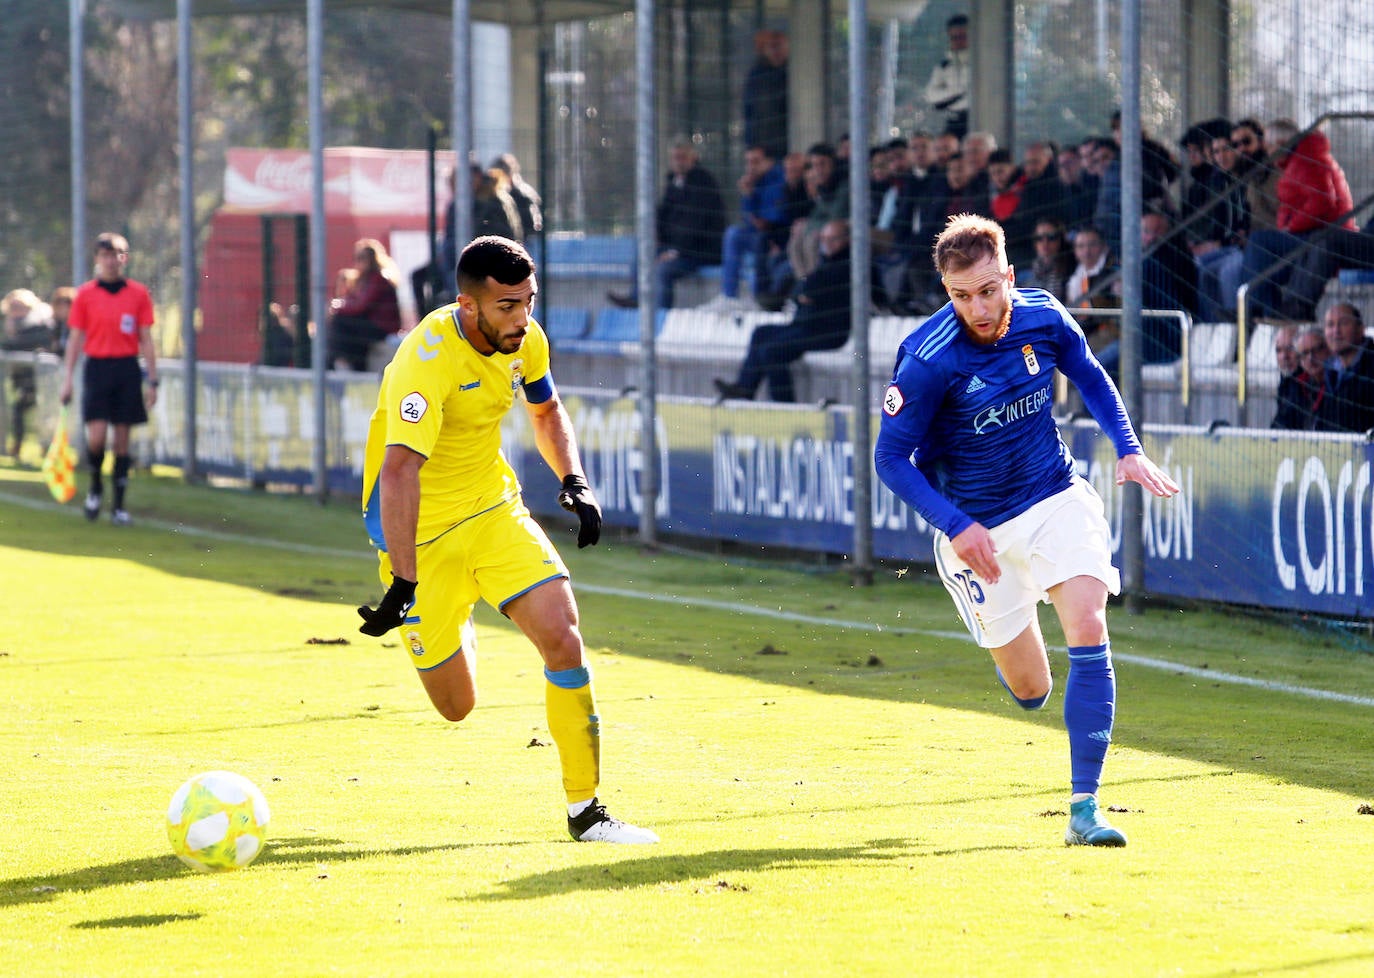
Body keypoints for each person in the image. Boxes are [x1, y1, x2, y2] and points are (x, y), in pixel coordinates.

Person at [874, 213, 1179, 848]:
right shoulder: (926, 359)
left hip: (1054, 497)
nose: (979, 309)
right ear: (946, 291)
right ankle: (1018, 645)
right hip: (978, 532)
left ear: (1010, 276)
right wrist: (956, 524)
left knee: (1088, 626)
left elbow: (1088, 372)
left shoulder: (1044, 315)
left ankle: (1084, 809)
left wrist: (1128, 448)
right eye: (961, 296)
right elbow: (889, 459)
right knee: (1032, 689)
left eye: (989, 290)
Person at [357, 235, 657, 845]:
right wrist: (405, 580)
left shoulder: (525, 340)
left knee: (563, 636)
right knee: (456, 707)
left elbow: (546, 411)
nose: (522, 318)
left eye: (529, 301)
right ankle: (455, 610)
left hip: (493, 511)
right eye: (507, 306)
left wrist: (574, 480)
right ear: (468, 305)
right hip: (421, 537)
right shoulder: (427, 359)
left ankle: (586, 811)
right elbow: (399, 472)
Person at [58, 232, 158, 525]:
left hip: (126, 369)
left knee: (122, 441)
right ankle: (95, 488)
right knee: (97, 437)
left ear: (124, 258)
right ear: (97, 259)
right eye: (105, 255)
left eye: (116, 255)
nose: (111, 261)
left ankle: (119, 506)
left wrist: (153, 380)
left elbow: (146, 338)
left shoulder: (138, 294)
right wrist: (68, 378)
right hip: (97, 369)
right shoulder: (85, 295)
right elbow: (75, 339)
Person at [712, 219, 852, 403]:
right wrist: (806, 292)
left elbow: (811, 288)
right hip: (804, 324)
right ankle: (745, 388)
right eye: (824, 239)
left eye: (833, 239)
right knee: (761, 333)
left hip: (826, 331)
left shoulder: (846, 265)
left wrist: (807, 292)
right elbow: (800, 289)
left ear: (847, 240)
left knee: (772, 351)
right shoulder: (824, 262)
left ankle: (784, 403)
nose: (827, 244)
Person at [1240, 120, 1354, 320]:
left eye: (1270, 147)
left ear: (1282, 143)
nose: (1268, 153)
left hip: (1323, 238)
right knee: (1262, 262)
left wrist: (1291, 227)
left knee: (1259, 242)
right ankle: (1262, 313)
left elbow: (1322, 202)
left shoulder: (1308, 161)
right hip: (1312, 235)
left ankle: (1254, 310)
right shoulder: (1299, 160)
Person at [607, 140, 726, 309]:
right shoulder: (674, 182)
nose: (679, 162)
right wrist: (656, 235)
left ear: (693, 158)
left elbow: (697, 224)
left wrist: (675, 252)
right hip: (676, 247)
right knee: (643, 251)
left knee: (663, 270)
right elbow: (662, 214)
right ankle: (636, 299)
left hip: (700, 251)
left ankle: (661, 315)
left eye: (683, 157)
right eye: (675, 158)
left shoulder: (703, 183)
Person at [700, 144, 787, 311]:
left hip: (777, 239)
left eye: (756, 161)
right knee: (733, 234)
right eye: (748, 162)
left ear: (769, 162)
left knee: (759, 244)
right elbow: (748, 220)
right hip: (759, 237)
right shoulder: (754, 182)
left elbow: (765, 223)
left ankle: (760, 299)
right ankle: (729, 296)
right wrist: (748, 195)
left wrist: (749, 194)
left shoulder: (778, 180)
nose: (751, 167)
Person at [329, 238, 402, 372]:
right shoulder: (365, 279)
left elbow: (361, 306)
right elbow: (353, 300)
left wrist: (338, 307)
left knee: (340, 321)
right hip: (371, 326)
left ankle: (341, 363)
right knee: (342, 327)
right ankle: (341, 362)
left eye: (362, 258)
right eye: (357, 258)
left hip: (382, 328)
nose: (359, 262)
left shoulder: (378, 279)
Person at [2, 288, 56, 459]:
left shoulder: (40, 324)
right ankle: (17, 447)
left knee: (45, 414)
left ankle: (47, 448)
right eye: (13, 307)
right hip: (21, 378)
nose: (16, 312)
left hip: (42, 378)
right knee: (18, 410)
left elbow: (21, 343)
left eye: (19, 307)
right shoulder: (11, 323)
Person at [1316, 302, 1374, 434]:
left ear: (1360, 329)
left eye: (1343, 323)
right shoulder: (1327, 371)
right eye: (1330, 324)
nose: (1336, 331)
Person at [742, 29, 789, 160]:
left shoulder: (793, 72)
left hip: (788, 142)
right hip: (765, 147)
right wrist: (753, 144)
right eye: (772, 46)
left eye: (779, 46)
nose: (776, 51)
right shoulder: (758, 76)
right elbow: (753, 111)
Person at [1272, 325, 1327, 431]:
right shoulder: (1287, 383)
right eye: (1278, 350)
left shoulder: (1326, 383)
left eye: (1290, 349)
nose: (1284, 356)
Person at [924, 14, 970, 138]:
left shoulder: (981, 65)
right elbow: (931, 96)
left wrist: (949, 95)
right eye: (954, 38)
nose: (958, 42)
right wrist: (959, 92)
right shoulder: (944, 66)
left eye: (963, 37)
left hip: (979, 118)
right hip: (954, 120)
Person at [1019, 219, 1075, 303]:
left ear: (1060, 240)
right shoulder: (1024, 275)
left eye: (1051, 237)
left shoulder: (1071, 271)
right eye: (1039, 238)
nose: (1045, 243)